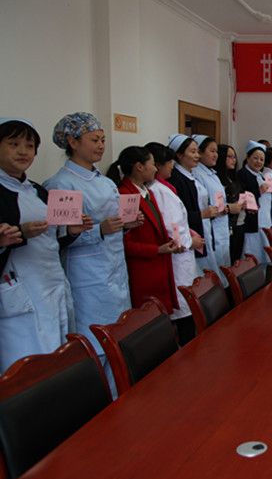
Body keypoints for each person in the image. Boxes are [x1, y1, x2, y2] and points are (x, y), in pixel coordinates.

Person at [44, 112, 133, 386]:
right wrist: (99, 230)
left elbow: (114, 224)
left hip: (115, 270)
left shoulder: (106, 182)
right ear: (73, 142)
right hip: (87, 276)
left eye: (103, 140)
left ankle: (121, 394)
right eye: (94, 140)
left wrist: (127, 224)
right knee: (96, 345)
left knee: (120, 338)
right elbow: (59, 238)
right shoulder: (61, 184)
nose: (101, 145)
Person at [0, 118, 92, 371]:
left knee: (57, 356)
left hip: (51, 283)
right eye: (14, 144)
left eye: (29, 146)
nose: (23, 152)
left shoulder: (37, 191)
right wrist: (19, 233)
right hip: (20, 289)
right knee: (27, 364)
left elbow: (53, 240)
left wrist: (71, 231)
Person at [108, 146, 179, 314]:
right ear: (139, 167)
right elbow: (125, 243)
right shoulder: (126, 195)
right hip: (144, 270)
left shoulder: (147, 193)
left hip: (159, 266)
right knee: (149, 317)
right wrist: (157, 249)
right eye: (152, 164)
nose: (155, 169)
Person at [147, 142, 202, 345]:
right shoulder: (159, 191)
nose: (172, 166)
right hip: (178, 256)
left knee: (185, 305)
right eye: (169, 162)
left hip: (181, 255)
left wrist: (189, 233)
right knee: (183, 309)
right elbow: (172, 228)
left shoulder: (164, 188)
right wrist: (190, 241)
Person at [167, 134, 225, 283]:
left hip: (203, 228)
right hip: (190, 235)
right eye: (192, 152)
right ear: (179, 155)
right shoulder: (176, 179)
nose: (197, 156)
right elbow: (178, 215)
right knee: (198, 279)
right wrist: (202, 214)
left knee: (208, 273)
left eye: (197, 152)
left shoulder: (190, 175)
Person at [192, 135, 232, 280]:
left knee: (223, 269)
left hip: (221, 226)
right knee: (213, 273)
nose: (216, 155)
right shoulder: (197, 174)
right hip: (211, 226)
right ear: (200, 152)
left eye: (216, 151)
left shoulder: (212, 174)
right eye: (212, 151)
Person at [238, 141, 272, 265]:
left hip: (265, 221)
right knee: (252, 258)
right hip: (252, 223)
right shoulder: (242, 174)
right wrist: (259, 191)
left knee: (263, 257)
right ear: (247, 157)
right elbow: (242, 197)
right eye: (255, 158)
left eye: (262, 159)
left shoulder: (261, 175)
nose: (259, 162)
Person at [215, 143, 246, 263]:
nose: (233, 160)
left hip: (239, 223)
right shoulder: (217, 178)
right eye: (229, 157)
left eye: (234, 157)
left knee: (236, 260)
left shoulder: (233, 178)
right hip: (227, 224)